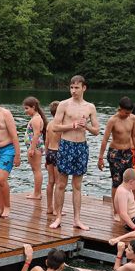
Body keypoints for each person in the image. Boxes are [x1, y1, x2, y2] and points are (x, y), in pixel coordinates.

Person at [48, 76, 99, 230]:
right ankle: (58, 217)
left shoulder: (90, 107)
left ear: (84, 88)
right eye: (71, 87)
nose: (73, 91)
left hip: (81, 147)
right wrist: (72, 125)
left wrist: (86, 126)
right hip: (66, 145)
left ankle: (77, 219)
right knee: (61, 184)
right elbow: (55, 127)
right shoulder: (64, 104)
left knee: (77, 185)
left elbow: (96, 131)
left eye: (77, 88)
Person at [22, 96, 47, 201]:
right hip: (35, 147)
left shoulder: (36, 119)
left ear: (33, 107)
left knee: (36, 170)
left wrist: (32, 149)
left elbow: (36, 134)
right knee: (35, 170)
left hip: (35, 147)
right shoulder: (36, 118)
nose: (25, 111)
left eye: (27, 108)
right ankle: (36, 192)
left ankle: (37, 194)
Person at [44, 101, 61, 217]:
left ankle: (49, 207)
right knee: (59, 183)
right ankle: (56, 209)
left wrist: (46, 157)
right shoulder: (61, 125)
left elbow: (46, 141)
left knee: (50, 181)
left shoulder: (49, 124)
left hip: (50, 152)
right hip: (58, 153)